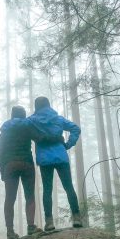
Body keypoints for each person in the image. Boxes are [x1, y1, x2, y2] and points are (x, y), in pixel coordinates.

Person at [0, 105, 62, 239]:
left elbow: (1, 152)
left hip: (10, 165)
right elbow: (41, 137)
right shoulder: (27, 125)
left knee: (10, 198)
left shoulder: (4, 131)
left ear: (12, 115)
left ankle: (10, 231)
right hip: (26, 163)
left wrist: (2, 171)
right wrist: (57, 138)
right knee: (30, 196)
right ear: (23, 115)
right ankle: (31, 227)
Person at [28, 96, 82, 231]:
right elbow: (76, 128)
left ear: (37, 106)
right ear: (48, 105)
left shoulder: (32, 121)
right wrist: (68, 144)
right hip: (60, 156)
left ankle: (49, 222)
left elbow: (21, 128)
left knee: (47, 190)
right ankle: (76, 218)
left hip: (44, 159)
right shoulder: (57, 118)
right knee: (69, 187)